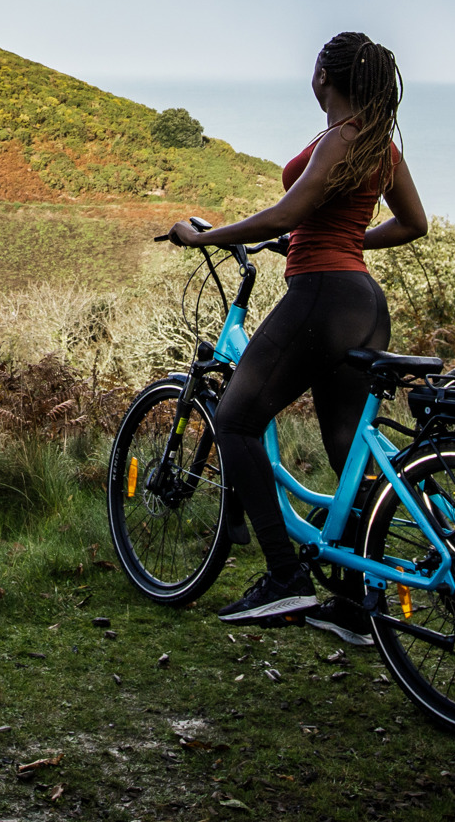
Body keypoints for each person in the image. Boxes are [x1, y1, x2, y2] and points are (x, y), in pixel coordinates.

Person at [165, 31, 427, 643]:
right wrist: (342, 240)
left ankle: (285, 576)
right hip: (362, 300)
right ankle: (361, 605)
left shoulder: (340, 137)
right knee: (345, 449)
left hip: (321, 296)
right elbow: (414, 223)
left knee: (234, 418)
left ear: (324, 78)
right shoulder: (378, 144)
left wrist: (202, 237)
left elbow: (289, 210)